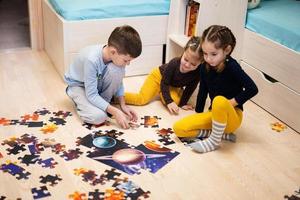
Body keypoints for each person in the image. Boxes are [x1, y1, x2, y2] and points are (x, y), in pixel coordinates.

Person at [173, 25, 258, 153]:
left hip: (232, 117)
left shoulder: (232, 67)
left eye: (213, 54)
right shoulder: (204, 67)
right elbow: (203, 92)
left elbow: (253, 88)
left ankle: (214, 141)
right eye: (205, 53)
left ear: (227, 50)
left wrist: (230, 103)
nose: (208, 58)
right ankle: (221, 135)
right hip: (214, 115)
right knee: (179, 128)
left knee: (218, 101)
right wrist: (198, 116)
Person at [64, 25, 142, 129]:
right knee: (98, 117)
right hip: (79, 86)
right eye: (126, 60)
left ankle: (102, 104)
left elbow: (119, 81)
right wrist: (115, 111)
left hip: (96, 82)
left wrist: (123, 105)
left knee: (118, 69)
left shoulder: (114, 54)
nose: (128, 64)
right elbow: (91, 95)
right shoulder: (92, 60)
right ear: (113, 52)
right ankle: (77, 98)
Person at [125, 36, 203, 115]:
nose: (187, 65)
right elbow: (164, 82)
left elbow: (190, 88)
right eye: (185, 59)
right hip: (158, 77)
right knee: (142, 99)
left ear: (201, 63)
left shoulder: (198, 73)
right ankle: (116, 97)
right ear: (183, 52)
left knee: (176, 102)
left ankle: (163, 92)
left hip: (171, 84)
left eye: (193, 64)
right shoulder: (174, 63)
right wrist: (168, 101)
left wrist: (183, 103)